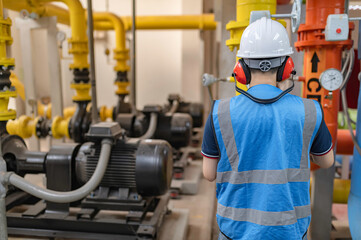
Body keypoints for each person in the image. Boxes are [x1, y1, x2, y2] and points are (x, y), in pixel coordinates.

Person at [201, 17, 334, 240]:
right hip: (289, 230)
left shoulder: (219, 112)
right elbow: (326, 161)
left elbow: (208, 173)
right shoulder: (310, 110)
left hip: (235, 232)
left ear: (240, 69)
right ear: (287, 68)